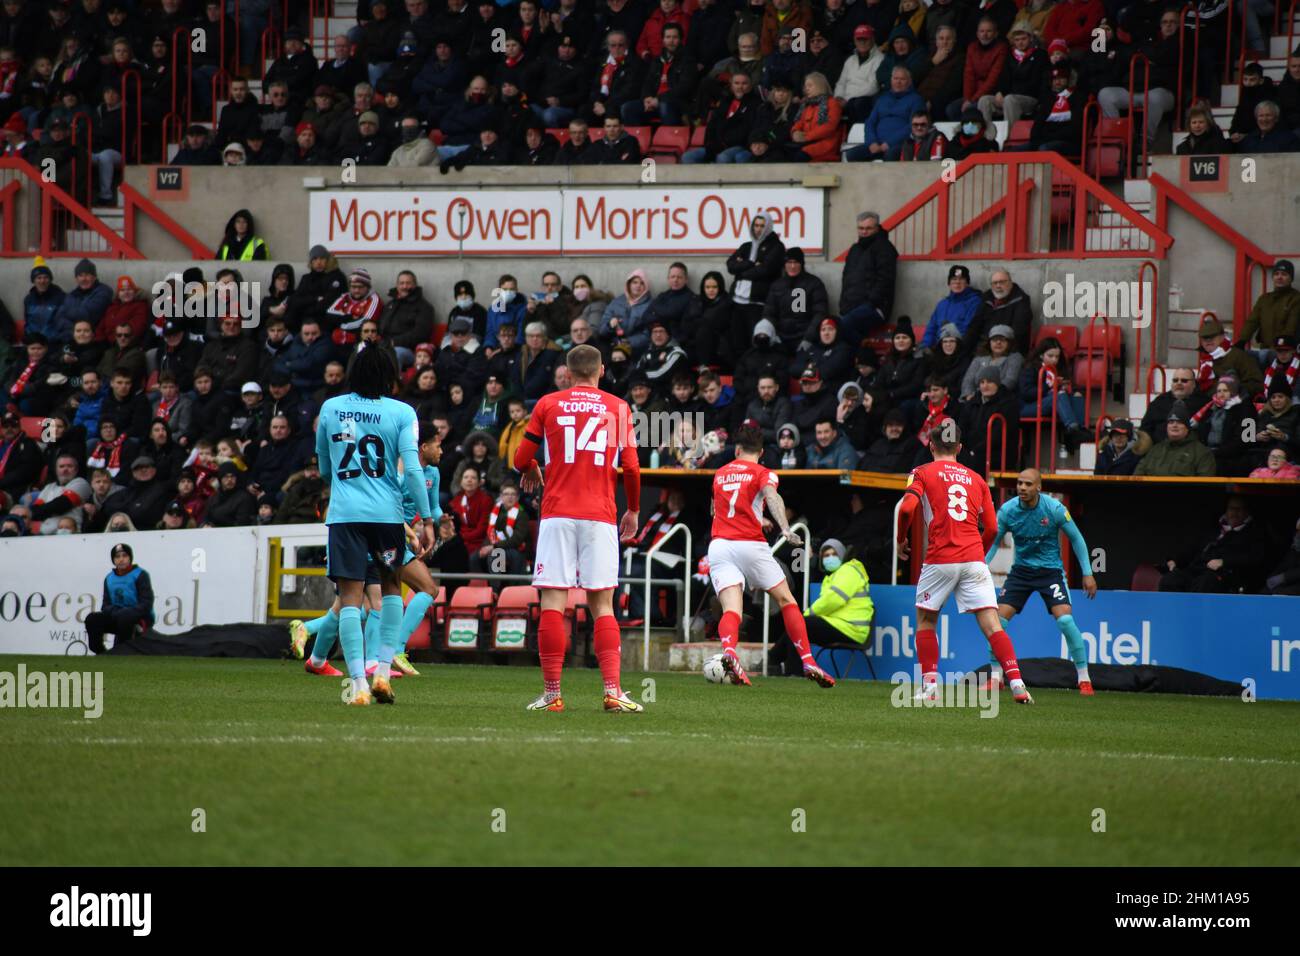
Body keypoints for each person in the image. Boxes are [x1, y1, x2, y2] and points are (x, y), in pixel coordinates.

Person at [513, 344, 643, 713]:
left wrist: (532, 468)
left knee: (554, 600)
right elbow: (632, 470)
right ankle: (613, 691)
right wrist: (632, 510)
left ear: (567, 374)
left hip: (557, 513)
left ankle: (553, 694)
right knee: (602, 603)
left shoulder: (548, 404)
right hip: (600, 515)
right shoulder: (618, 407)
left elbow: (520, 458)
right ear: (601, 371)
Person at [314, 345, 434, 706]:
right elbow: (412, 469)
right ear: (390, 375)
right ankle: (382, 671)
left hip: (346, 514)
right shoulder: (402, 412)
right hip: (386, 515)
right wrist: (427, 518)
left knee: (349, 597)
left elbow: (323, 468)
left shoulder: (331, 408)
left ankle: (358, 684)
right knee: (392, 587)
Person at [896, 419, 1034, 703]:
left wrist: (900, 540)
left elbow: (907, 508)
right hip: (973, 558)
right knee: (992, 625)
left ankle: (931, 687)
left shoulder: (920, 472)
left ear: (931, 446)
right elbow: (993, 529)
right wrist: (978, 555)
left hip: (940, 557)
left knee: (925, 620)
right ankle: (1018, 683)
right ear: (959, 447)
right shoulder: (978, 479)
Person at [294, 421, 443, 678]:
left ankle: (315, 652)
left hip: (383, 534)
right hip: (383, 534)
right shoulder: (395, 469)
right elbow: (388, 504)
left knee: (351, 605)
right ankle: (380, 658)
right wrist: (410, 532)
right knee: (385, 598)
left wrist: (441, 520)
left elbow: (433, 507)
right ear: (423, 445)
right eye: (439, 445)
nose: (442, 451)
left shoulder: (432, 474)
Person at [706, 423, 836, 687]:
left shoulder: (719, 473)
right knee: (787, 600)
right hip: (751, 545)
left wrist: (752, 515)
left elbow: (714, 510)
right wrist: (785, 528)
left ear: (737, 450)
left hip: (720, 545)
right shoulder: (764, 472)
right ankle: (808, 661)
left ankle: (730, 654)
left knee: (732, 609)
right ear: (761, 451)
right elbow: (772, 496)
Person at [985, 468, 1097, 694]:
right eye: (1019, 483)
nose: (1022, 488)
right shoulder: (1007, 511)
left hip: (1050, 572)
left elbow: (1076, 539)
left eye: (1027, 484)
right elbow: (994, 541)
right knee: (997, 622)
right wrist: (980, 566)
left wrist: (1087, 572)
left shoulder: (1054, 508)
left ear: (1038, 487)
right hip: (1021, 572)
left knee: (1065, 621)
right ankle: (996, 678)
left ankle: (1084, 679)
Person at [779, 537, 873, 675]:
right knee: (796, 625)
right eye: (826, 556)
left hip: (851, 628)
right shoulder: (832, 576)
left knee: (799, 623)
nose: (830, 558)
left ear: (842, 555)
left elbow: (832, 601)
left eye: (834, 554)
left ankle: (786, 668)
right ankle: (781, 664)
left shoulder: (849, 570)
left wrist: (808, 612)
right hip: (841, 625)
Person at [1159, 496, 1270, 593]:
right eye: (1232, 508)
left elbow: (1254, 557)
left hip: (1223, 575)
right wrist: (1174, 560)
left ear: (1247, 512)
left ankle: (1196, 616)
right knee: (1171, 579)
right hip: (1196, 570)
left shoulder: (1253, 533)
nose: (1235, 513)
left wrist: (1224, 562)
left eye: (1239, 509)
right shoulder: (1214, 529)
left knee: (1206, 582)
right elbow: (1192, 549)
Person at [85, 542, 154, 653]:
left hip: (139, 617)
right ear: (113, 560)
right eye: (117, 557)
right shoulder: (109, 578)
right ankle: (101, 653)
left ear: (130, 558)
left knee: (125, 617)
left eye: (124, 556)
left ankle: (121, 651)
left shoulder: (140, 575)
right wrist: (117, 612)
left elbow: (146, 604)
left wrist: (127, 612)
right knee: (92, 619)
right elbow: (105, 605)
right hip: (117, 615)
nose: (121, 559)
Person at [838, 211, 898, 339]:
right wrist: (843, 306)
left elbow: (885, 280)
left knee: (840, 328)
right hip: (851, 308)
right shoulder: (854, 249)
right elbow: (846, 278)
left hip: (875, 308)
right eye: (861, 228)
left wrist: (871, 303)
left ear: (877, 228)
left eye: (868, 228)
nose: (864, 232)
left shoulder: (884, 248)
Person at [1135, 400, 1216, 476]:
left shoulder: (1202, 453)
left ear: (1187, 428)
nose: (1174, 425)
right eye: (1171, 422)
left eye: (1179, 422)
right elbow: (1137, 477)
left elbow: (1205, 484)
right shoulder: (1154, 450)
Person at [1140, 367, 1209, 443]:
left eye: (1184, 381)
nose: (1179, 383)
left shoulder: (1204, 403)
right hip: (1159, 450)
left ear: (1194, 384)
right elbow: (1145, 429)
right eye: (1175, 380)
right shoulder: (1159, 401)